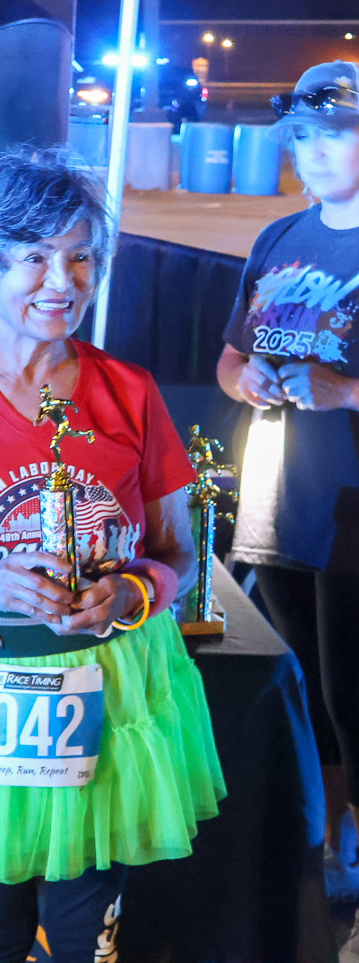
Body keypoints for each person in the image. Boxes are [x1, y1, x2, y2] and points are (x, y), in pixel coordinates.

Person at [0, 148, 224, 963]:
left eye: (81, 256)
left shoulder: (129, 392)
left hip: (108, 695)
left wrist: (133, 591)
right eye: (33, 256)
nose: (62, 281)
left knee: (87, 936)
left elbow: (180, 552)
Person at [216, 59, 359, 957]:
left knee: (355, 697)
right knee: (307, 691)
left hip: (354, 515)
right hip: (280, 506)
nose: (314, 151)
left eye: (334, 134)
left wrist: (345, 391)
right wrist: (252, 379)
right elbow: (231, 358)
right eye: (302, 136)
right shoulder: (280, 238)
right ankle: (334, 851)